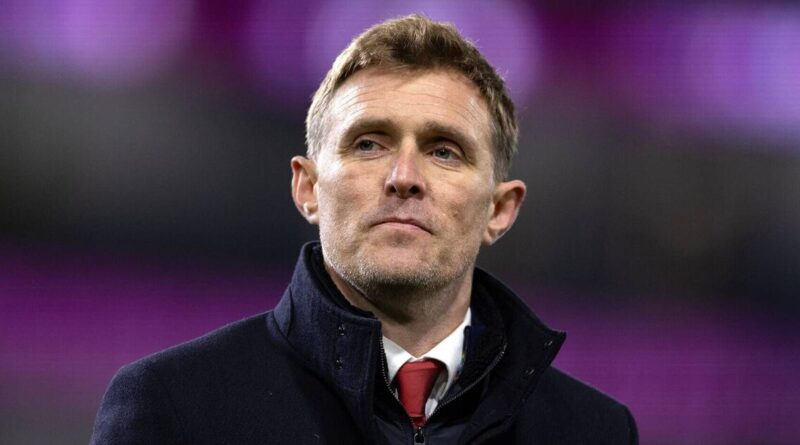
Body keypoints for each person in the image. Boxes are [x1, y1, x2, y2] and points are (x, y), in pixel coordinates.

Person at [91, 15, 637, 444]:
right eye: (369, 144)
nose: (404, 177)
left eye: (444, 151)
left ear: (500, 210)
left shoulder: (594, 432)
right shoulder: (174, 407)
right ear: (308, 188)